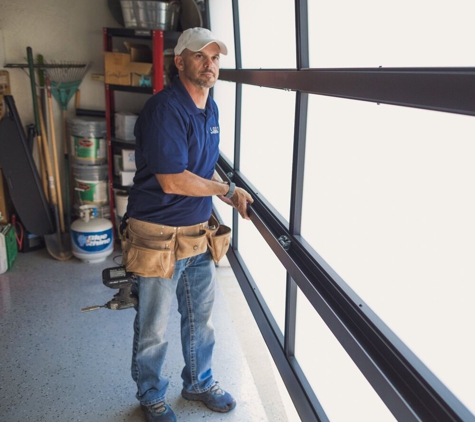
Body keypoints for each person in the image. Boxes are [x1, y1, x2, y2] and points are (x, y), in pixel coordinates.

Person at [121, 27, 254, 422]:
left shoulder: (209, 106)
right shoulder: (165, 109)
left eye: (215, 58)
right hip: (157, 236)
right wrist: (226, 190)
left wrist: (224, 186)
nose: (209, 64)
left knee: (201, 320)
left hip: (197, 232)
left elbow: (202, 162)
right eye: (200, 56)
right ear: (179, 62)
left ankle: (198, 382)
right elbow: (173, 179)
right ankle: (150, 394)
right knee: (153, 327)